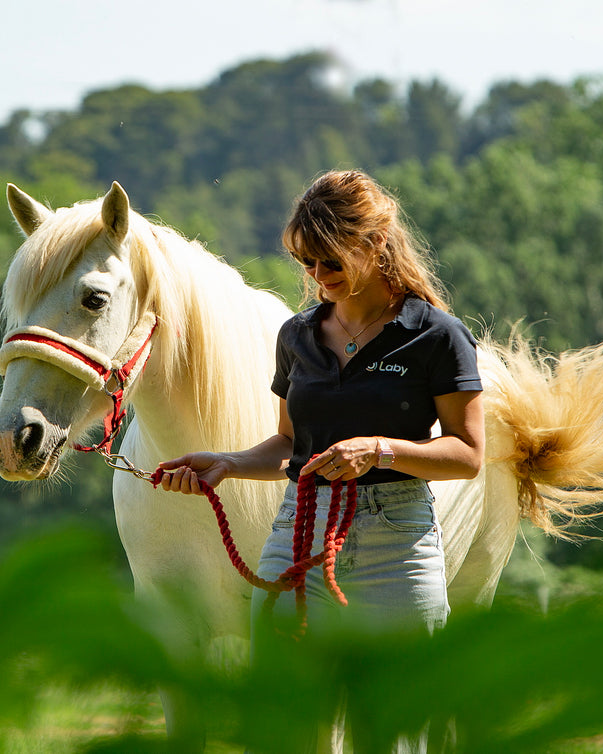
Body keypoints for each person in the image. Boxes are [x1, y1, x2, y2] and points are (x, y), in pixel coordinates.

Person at [157, 169, 483, 752]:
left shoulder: (437, 335)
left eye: (329, 262)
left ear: (374, 244)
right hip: (298, 535)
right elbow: (289, 442)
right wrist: (227, 464)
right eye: (306, 264)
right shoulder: (297, 336)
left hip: (398, 546)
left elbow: (466, 454)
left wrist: (382, 450)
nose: (316, 278)